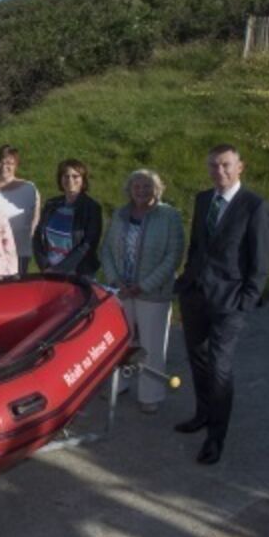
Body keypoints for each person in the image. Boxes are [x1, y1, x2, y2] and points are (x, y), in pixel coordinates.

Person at [174, 145, 269, 465]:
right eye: (214, 166)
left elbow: (261, 262)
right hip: (196, 296)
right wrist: (187, 280)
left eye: (226, 165)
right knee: (198, 360)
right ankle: (203, 414)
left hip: (229, 301)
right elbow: (196, 246)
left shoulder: (255, 206)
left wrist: (246, 302)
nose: (220, 171)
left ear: (240, 167)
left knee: (220, 368)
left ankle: (216, 438)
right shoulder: (204, 199)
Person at [99, 169, 184, 414]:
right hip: (122, 290)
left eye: (147, 186)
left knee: (151, 346)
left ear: (157, 189)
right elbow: (106, 250)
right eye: (137, 186)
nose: (142, 191)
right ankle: (120, 384)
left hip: (153, 293)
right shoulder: (120, 214)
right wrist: (115, 280)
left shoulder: (169, 216)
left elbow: (173, 256)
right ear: (129, 190)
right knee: (121, 342)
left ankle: (151, 394)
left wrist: (143, 285)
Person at [33, 159, 102, 277]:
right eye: (66, 176)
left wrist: (60, 269)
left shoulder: (91, 208)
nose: (70, 180)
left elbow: (87, 245)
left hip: (78, 273)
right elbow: (38, 236)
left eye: (75, 176)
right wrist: (45, 266)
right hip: (49, 270)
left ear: (83, 180)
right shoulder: (51, 204)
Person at [0, 145, 41, 275]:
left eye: (9, 163)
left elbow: (35, 219)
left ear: (16, 165)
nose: (4, 166)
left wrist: (30, 241)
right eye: (0, 162)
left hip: (20, 249)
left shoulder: (29, 188)